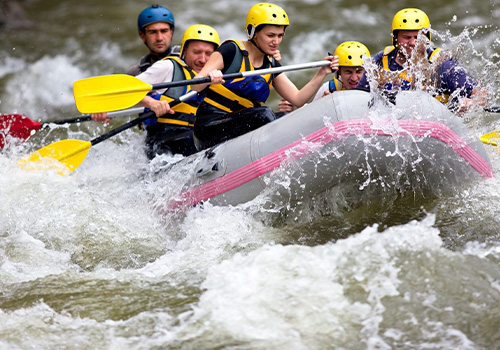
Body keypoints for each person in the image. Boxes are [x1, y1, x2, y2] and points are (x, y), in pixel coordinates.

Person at [187, 2, 339, 151]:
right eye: (270, 35)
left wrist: (322, 72)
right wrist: (209, 76)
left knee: (286, 117)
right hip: (210, 127)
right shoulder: (231, 50)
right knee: (264, 114)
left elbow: (298, 99)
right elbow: (195, 85)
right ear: (253, 33)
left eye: (280, 35)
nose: (276, 41)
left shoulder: (271, 65)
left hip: (242, 124)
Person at [356, 8, 487, 114]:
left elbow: (480, 94)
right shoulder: (380, 62)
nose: (412, 43)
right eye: (406, 37)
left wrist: (471, 103)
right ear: (395, 38)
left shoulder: (442, 64)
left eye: (418, 37)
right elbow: (359, 98)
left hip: (436, 130)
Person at [135, 24, 220, 159]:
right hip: (162, 143)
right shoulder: (168, 67)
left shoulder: (217, 76)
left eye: (208, 54)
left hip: (194, 138)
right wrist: (151, 103)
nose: (202, 59)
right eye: (196, 52)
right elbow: (126, 91)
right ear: (184, 51)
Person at [127, 4, 180, 76]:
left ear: (171, 32)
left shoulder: (187, 57)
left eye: (164, 31)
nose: (159, 38)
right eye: (153, 32)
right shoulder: (136, 73)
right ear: (142, 36)